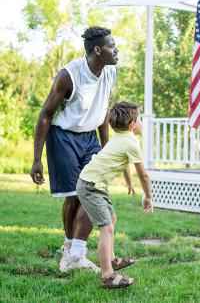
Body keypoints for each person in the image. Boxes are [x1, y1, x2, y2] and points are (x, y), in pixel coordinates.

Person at [30, 26, 119, 272]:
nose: (117, 49)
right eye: (112, 46)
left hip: (89, 137)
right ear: (98, 50)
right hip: (63, 137)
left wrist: (106, 149)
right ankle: (69, 251)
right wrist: (37, 159)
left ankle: (78, 253)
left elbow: (103, 113)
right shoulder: (69, 75)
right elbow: (46, 114)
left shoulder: (111, 71)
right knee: (75, 196)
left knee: (93, 192)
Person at [76, 101, 153, 289]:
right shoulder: (131, 143)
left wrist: (128, 183)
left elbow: (124, 163)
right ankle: (108, 276)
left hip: (95, 185)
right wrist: (148, 197)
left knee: (111, 218)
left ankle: (112, 260)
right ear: (132, 124)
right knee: (106, 227)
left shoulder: (120, 138)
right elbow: (144, 174)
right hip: (90, 186)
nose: (142, 122)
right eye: (140, 119)